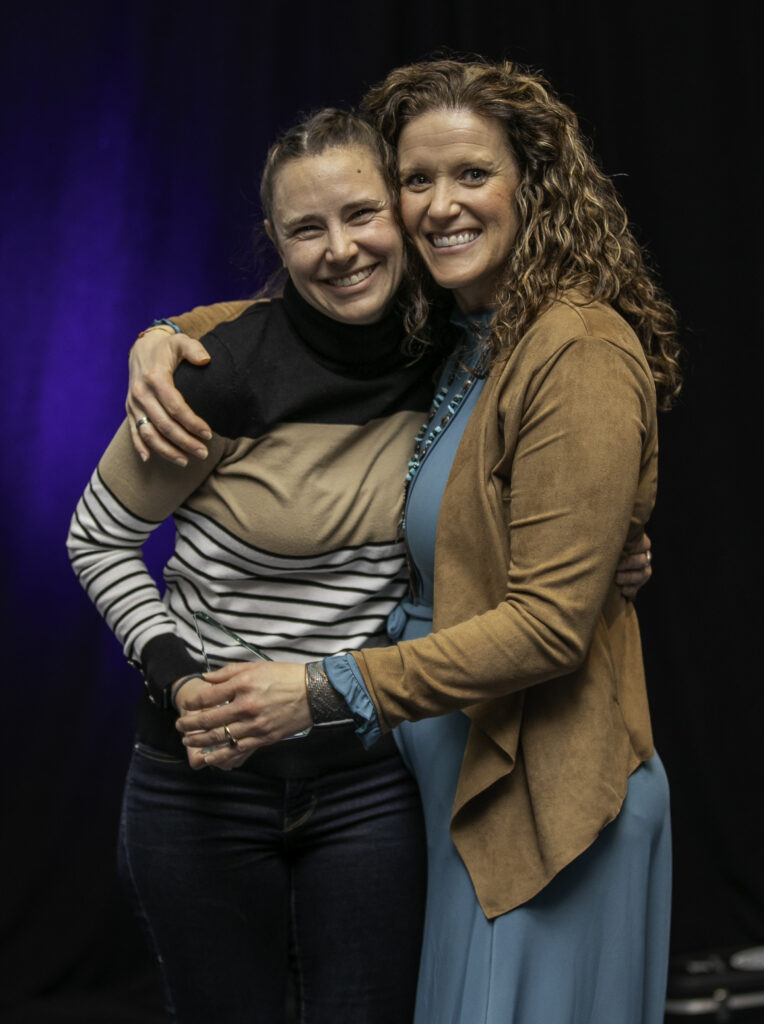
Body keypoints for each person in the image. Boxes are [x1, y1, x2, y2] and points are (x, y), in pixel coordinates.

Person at [163, 59, 680, 1024]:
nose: (441, 205)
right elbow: (295, 320)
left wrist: (321, 686)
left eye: (471, 175)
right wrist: (166, 334)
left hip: (543, 799)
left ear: (535, 187)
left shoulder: (577, 347)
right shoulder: (463, 333)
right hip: (455, 785)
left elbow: (546, 630)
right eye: (415, 180)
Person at [67, 108, 441, 1024]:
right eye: (306, 229)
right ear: (274, 241)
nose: (341, 249)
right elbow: (98, 537)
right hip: (203, 785)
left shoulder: (457, 359)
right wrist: (174, 673)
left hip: (370, 778)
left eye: (362, 214)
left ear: (400, 211)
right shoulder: (218, 373)